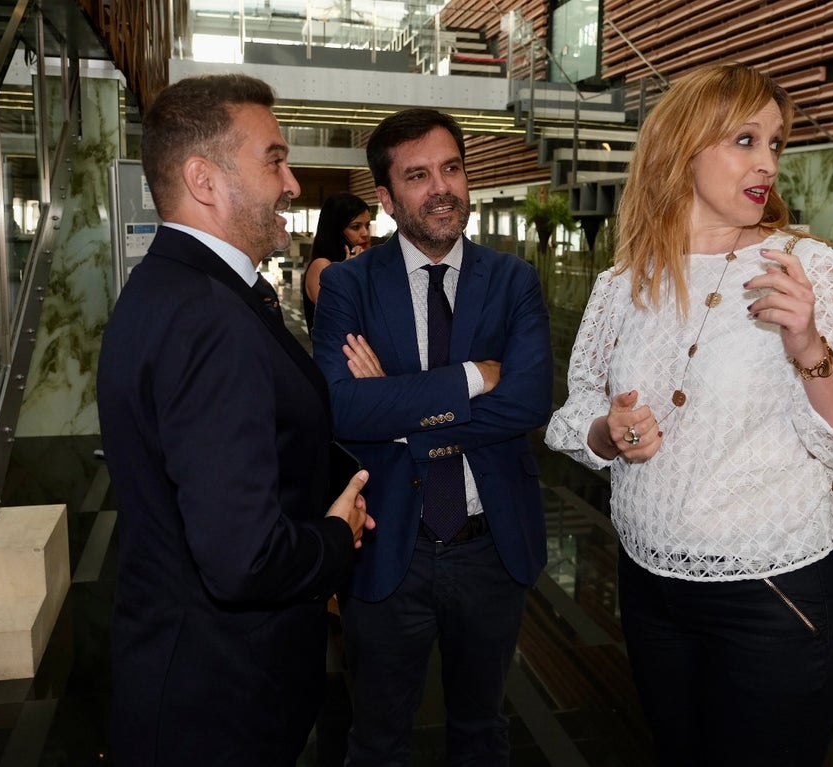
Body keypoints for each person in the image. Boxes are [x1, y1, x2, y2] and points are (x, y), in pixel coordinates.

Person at [544, 62, 833, 765]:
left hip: (779, 597)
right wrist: (610, 430)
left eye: (776, 143)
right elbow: (577, 413)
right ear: (681, 147)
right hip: (650, 588)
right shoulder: (624, 283)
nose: (768, 162)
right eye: (745, 140)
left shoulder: (810, 267)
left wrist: (809, 346)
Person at [96, 74, 373, 767]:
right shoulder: (209, 317)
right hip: (219, 704)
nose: (290, 183)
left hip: (185, 677)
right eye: (274, 159)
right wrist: (336, 536)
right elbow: (243, 560)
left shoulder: (172, 287)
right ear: (204, 179)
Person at [311, 108, 553, 764]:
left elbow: (528, 400)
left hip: (490, 544)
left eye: (451, 168)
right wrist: (473, 376)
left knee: (482, 728)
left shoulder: (513, 281)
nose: (441, 187)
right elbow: (340, 409)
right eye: (418, 176)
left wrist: (395, 405)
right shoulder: (348, 286)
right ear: (386, 199)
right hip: (390, 540)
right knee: (379, 736)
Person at [302, 193, 372, 331]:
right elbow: (341, 317)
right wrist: (351, 275)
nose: (365, 233)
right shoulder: (321, 265)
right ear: (336, 231)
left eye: (367, 225)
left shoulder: (362, 263)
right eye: (356, 227)